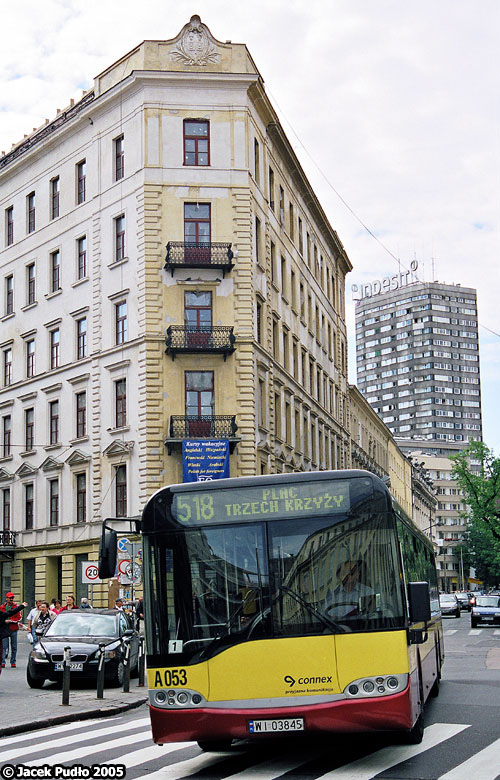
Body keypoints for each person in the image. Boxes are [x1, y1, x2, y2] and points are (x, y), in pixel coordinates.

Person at [0, 595, 27, 669]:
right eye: (10, 598)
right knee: (4, 646)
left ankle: (13, 662)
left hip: (13, 628)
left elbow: (18, 616)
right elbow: (5, 615)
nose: (11, 599)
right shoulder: (2, 607)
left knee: (14, 646)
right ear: (6, 599)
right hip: (4, 629)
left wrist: (11, 620)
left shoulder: (16, 606)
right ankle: (2, 662)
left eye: (12, 598)